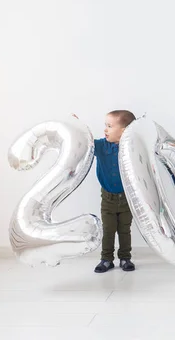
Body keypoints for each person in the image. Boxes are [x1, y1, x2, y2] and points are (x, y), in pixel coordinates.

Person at [73, 110, 137, 273]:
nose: (105, 130)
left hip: (128, 199)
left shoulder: (131, 149)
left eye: (109, 126)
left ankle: (125, 258)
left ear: (123, 131)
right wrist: (77, 127)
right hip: (108, 199)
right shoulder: (101, 146)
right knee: (108, 230)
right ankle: (106, 259)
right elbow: (85, 143)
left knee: (124, 229)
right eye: (105, 126)